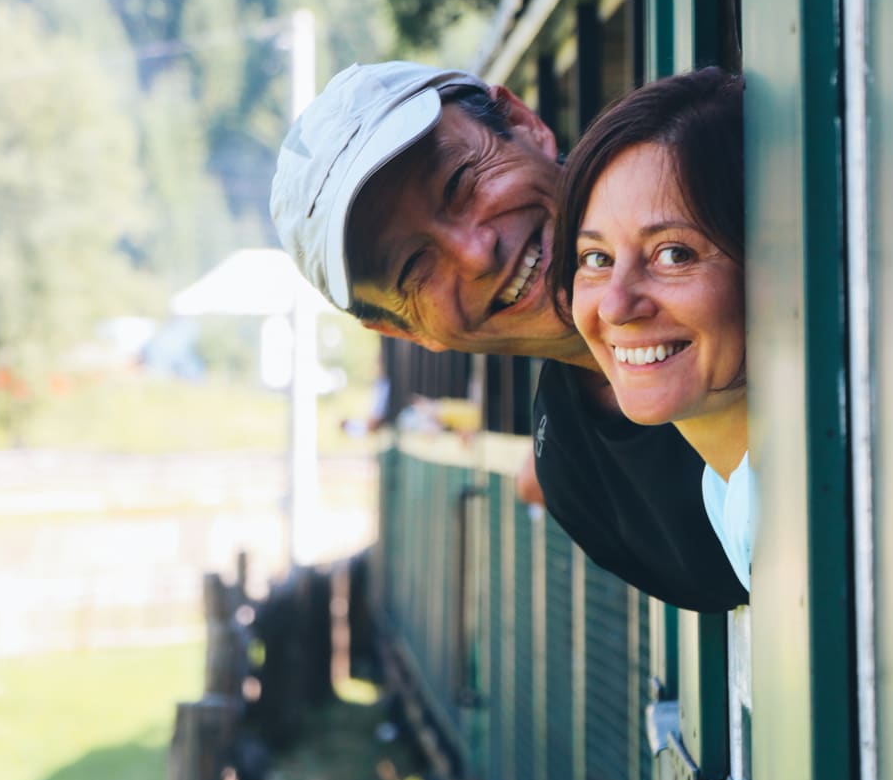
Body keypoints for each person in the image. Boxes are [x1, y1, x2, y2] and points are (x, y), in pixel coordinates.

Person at [271, 61, 747, 611]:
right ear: (402, 329)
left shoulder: (758, 195)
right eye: (415, 266)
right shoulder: (575, 476)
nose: (476, 253)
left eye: (460, 183)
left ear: (523, 124)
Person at [549, 68, 754, 590]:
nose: (617, 306)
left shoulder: (812, 493)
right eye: (596, 258)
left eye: (674, 254)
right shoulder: (726, 491)